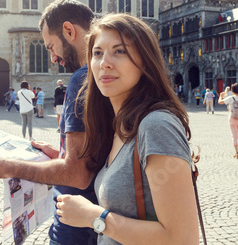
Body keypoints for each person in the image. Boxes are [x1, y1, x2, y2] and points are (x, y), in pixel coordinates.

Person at [54, 13, 199, 244]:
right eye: (97, 53)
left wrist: (93, 216)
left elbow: (182, 239)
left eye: (119, 51)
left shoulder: (156, 125)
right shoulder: (118, 126)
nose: (105, 63)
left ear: (145, 61)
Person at [0, 0, 98, 245]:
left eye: (51, 46)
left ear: (69, 30)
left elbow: (77, 175)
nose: (53, 58)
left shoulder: (82, 79)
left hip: (74, 228)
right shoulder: (107, 75)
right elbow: (95, 160)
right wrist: (59, 153)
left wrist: (10, 167)